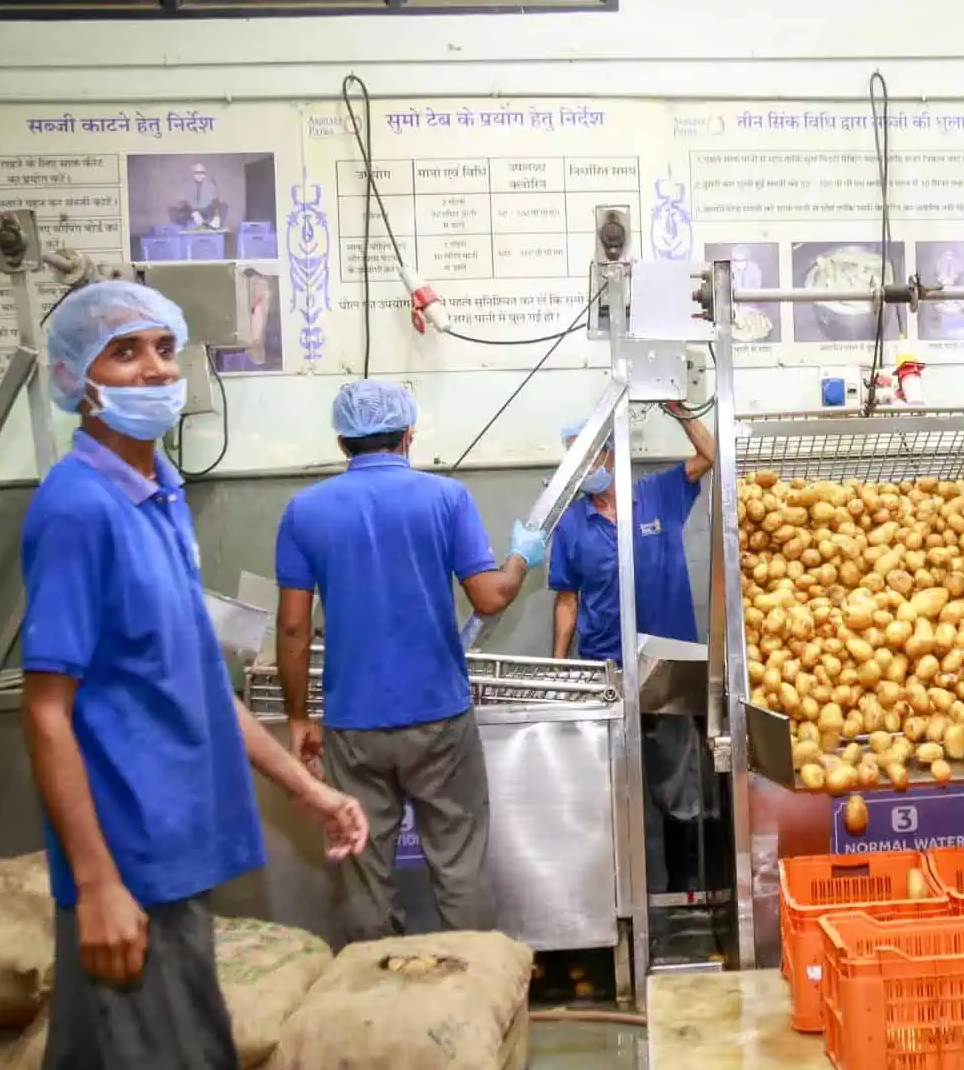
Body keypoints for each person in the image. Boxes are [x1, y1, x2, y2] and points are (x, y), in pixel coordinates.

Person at [0, 282, 369, 1070]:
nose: (157, 369)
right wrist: (101, 885)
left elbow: (202, 687)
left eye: (165, 347)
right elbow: (47, 713)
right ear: (81, 381)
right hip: (137, 869)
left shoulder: (158, 495)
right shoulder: (79, 509)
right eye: (127, 353)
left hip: (176, 852)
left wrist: (307, 790)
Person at [274, 380, 549, 942]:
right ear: (408, 434)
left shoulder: (304, 511)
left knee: (364, 870)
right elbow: (491, 596)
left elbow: (293, 625)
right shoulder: (446, 499)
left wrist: (299, 717)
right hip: (439, 718)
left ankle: (375, 1001)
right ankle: (472, 990)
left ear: (342, 441)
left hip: (353, 724)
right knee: (458, 861)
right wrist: (523, 556)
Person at [549, 402, 716, 893]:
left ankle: (682, 893)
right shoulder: (571, 522)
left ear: (611, 454)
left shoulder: (657, 494)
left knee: (679, 786)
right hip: (605, 670)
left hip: (668, 665)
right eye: (573, 461)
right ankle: (617, 900)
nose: (583, 470)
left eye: (589, 458)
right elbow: (566, 600)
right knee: (607, 791)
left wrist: (681, 411)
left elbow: (711, 454)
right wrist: (561, 672)